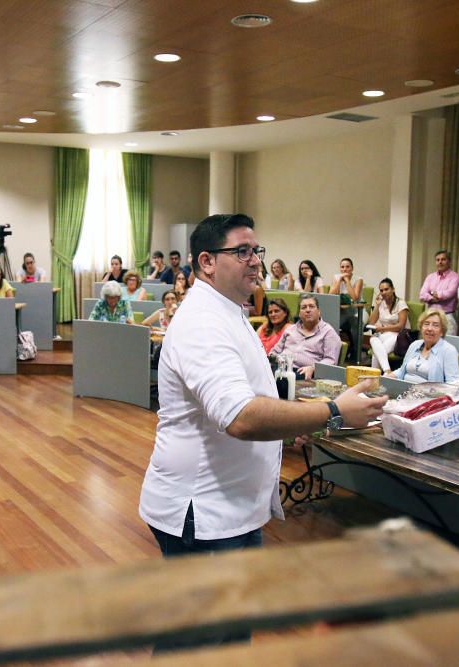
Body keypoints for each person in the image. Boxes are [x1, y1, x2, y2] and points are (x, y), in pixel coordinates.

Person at [138, 214, 385, 621]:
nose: (255, 261)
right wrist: (333, 411)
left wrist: (294, 427)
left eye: (257, 251)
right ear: (207, 262)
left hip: (229, 508)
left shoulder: (228, 310)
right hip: (203, 514)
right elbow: (240, 416)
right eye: (242, 252)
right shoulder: (202, 322)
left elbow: (250, 394)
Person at [269, 293, 342, 380]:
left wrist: (313, 368)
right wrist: (273, 359)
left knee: (282, 381)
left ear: (319, 311)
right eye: (304, 307)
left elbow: (331, 360)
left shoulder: (328, 332)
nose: (308, 310)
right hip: (281, 368)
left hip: (304, 373)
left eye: (311, 306)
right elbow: (274, 351)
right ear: (299, 313)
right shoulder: (290, 330)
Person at [392, 308, 459, 383]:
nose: (430, 328)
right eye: (426, 324)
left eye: (435, 325)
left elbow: (452, 384)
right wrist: (386, 377)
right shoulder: (415, 345)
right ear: (421, 328)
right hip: (403, 390)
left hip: (429, 393)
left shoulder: (449, 351)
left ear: (442, 331)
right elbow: (402, 370)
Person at [367, 278, 409, 374]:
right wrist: (377, 306)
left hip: (397, 336)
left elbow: (401, 326)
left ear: (393, 289)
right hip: (384, 335)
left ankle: (373, 376)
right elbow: (371, 322)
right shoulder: (381, 303)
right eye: (381, 290)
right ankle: (386, 371)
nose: (384, 292)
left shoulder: (400, 303)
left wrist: (381, 328)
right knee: (372, 339)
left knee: (377, 353)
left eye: (386, 289)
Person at [418, 249, 459, 337]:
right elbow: (422, 295)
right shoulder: (430, 277)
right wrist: (434, 297)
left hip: (447, 316)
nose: (440, 262)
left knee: (448, 344)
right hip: (430, 315)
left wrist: (432, 294)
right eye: (438, 260)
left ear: (449, 261)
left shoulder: (455, 277)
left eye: (443, 259)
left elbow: (450, 293)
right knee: (429, 344)